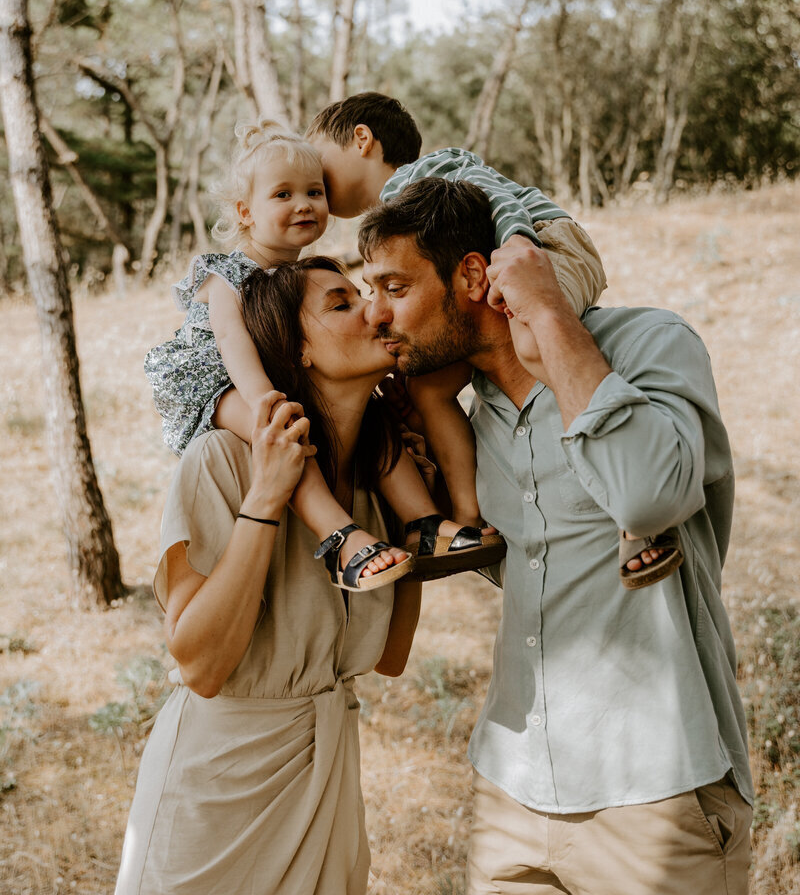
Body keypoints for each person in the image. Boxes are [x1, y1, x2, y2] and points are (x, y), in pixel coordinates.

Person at [357, 178, 754, 895]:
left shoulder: (648, 343)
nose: (373, 312)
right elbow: (521, 566)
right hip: (512, 787)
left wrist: (543, 308)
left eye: (393, 286)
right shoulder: (467, 420)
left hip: (658, 794)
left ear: (474, 276)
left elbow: (647, 493)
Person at [117, 257, 429, 895]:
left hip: (329, 772)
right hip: (219, 787)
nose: (374, 309)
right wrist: (264, 502)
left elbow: (390, 657)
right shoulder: (220, 459)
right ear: (298, 351)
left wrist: (415, 533)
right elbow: (201, 666)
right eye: (341, 304)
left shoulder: (378, 479)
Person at [307, 93, 679, 589]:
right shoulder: (407, 216)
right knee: (430, 390)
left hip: (548, 246)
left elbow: (500, 199)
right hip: (512, 262)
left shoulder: (433, 172)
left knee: (536, 344)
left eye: (318, 162)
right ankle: (469, 519)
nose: (315, 181)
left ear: (361, 140)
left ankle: (638, 513)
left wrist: (521, 250)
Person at [144, 120, 503, 590]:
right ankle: (340, 538)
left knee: (379, 425)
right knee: (282, 434)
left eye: (314, 192)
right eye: (282, 195)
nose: (303, 204)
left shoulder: (298, 275)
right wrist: (263, 400)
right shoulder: (227, 273)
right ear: (244, 212)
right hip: (213, 384)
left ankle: (424, 524)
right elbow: (230, 343)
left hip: (272, 376)